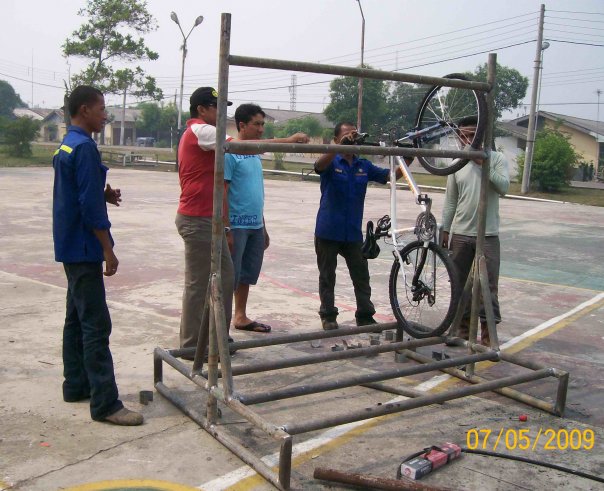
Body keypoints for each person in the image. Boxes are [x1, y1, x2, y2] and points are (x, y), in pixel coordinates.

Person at [177, 89, 308, 354]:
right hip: (198, 217)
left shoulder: (203, 133)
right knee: (202, 283)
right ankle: (194, 345)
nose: (220, 113)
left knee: (223, 279)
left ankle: (214, 338)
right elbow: (243, 147)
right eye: (217, 107)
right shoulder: (201, 131)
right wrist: (289, 140)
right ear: (201, 109)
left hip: (205, 218)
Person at [52, 85, 143, 426]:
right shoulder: (85, 148)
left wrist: (103, 192)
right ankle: (106, 403)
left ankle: (76, 384)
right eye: (102, 108)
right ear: (85, 110)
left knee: (75, 317)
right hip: (85, 246)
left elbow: (78, 191)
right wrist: (108, 248)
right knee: (95, 324)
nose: (106, 114)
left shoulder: (66, 144)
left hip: (68, 244)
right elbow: (88, 206)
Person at [314, 122, 407, 330]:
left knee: (361, 276)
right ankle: (328, 315)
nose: (351, 139)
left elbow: (388, 176)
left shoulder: (363, 165)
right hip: (328, 230)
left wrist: (408, 158)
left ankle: (365, 315)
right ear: (336, 140)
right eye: (346, 136)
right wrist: (340, 148)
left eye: (354, 135)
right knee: (327, 276)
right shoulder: (331, 160)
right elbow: (318, 166)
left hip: (353, 233)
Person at [226, 103, 307, 333]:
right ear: (242, 125)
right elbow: (222, 191)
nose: (261, 129)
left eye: (263, 124)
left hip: (255, 224)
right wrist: (226, 227)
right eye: (257, 124)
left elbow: (255, 193)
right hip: (237, 224)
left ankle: (240, 316)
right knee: (230, 276)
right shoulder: (231, 152)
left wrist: (264, 227)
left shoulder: (254, 155)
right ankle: (220, 325)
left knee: (247, 274)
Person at [440, 116, 510, 346]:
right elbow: (451, 201)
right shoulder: (457, 162)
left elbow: (503, 188)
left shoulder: (497, 159)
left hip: (487, 234)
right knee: (459, 283)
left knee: (487, 287)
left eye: (472, 134)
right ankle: (461, 328)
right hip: (461, 233)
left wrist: (482, 162)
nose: (467, 140)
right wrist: (446, 229)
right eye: (462, 135)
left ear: (482, 134)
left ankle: (488, 333)